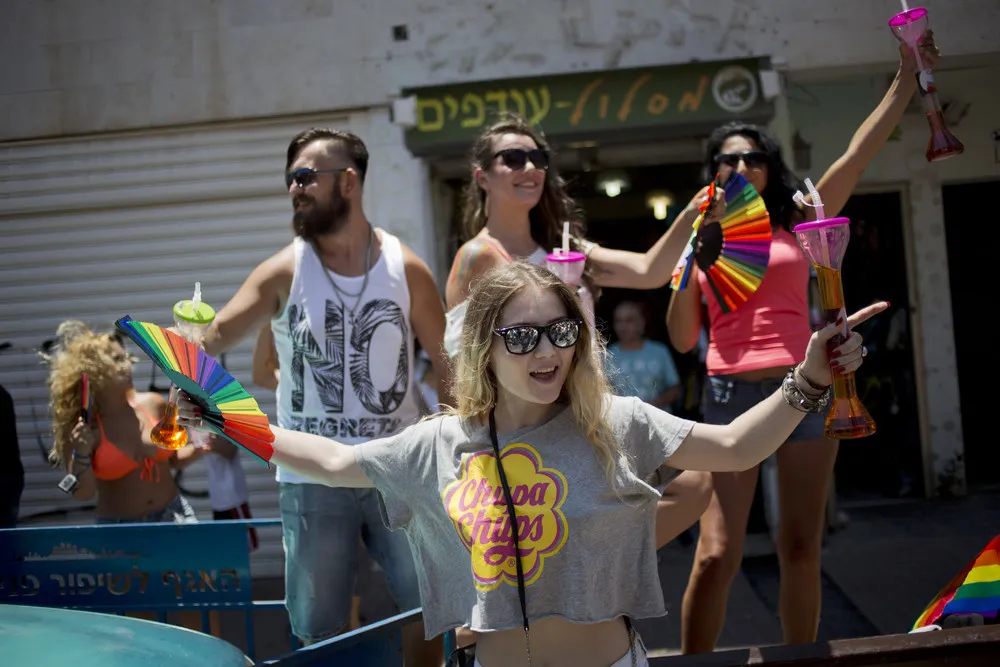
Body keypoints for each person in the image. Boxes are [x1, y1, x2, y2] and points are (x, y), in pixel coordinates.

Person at [180, 261, 881, 667]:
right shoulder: (440, 441)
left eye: (560, 331)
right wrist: (220, 410)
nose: (545, 351)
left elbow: (736, 449)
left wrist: (811, 376)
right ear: (485, 347)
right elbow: (332, 459)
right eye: (520, 335)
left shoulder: (614, 422)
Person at [654, 32, 943, 654]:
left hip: (805, 393)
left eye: (752, 157)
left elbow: (856, 158)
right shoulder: (702, 238)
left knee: (802, 547)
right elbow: (681, 337)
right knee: (716, 554)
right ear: (713, 175)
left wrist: (905, 75)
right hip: (729, 396)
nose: (739, 168)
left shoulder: (797, 219)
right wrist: (690, 263)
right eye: (726, 161)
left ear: (770, 165)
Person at [197, 128, 450, 663]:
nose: (295, 189)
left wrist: (454, 450)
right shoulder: (284, 270)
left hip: (398, 468)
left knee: (427, 607)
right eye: (290, 179)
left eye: (306, 176)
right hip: (311, 475)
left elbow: (449, 364)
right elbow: (214, 336)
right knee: (320, 625)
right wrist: (180, 351)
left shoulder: (406, 269)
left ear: (349, 182)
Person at [444, 114, 714, 557]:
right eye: (513, 158)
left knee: (693, 483)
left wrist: (693, 212)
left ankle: (596, 566)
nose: (529, 167)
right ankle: (588, 571)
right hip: (530, 425)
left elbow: (651, 271)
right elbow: (461, 360)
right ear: (482, 177)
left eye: (538, 157)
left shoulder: (565, 248)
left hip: (589, 409)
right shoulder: (477, 256)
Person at [47, 324, 209, 523]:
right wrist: (81, 453)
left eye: (126, 357)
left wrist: (200, 448)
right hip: (120, 530)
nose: (128, 364)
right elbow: (83, 493)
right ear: (93, 370)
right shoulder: (82, 428)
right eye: (117, 359)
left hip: (175, 517)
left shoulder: (152, 404)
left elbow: (173, 460)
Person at [607, 301, 681, 412]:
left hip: (657, 420)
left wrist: (654, 405)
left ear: (641, 322)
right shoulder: (608, 354)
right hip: (621, 421)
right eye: (619, 321)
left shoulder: (659, 352)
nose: (623, 326)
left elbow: (675, 389)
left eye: (629, 320)